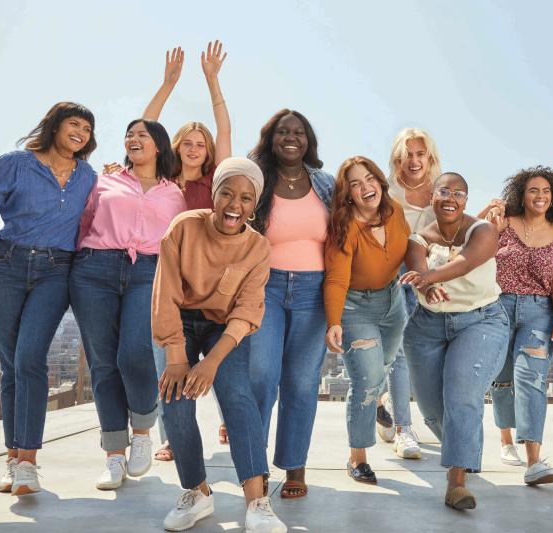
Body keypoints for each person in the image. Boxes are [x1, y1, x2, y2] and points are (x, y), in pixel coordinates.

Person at [152, 157, 286, 533]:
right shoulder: (184, 227)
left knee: (237, 394)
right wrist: (177, 359)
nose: (234, 204)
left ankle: (257, 501)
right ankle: (197, 492)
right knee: (174, 396)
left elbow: (246, 312)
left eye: (245, 198)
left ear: (254, 205)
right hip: (180, 321)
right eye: (226, 193)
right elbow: (165, 297)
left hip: (224, 329)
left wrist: (211, 362)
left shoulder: (257, 248)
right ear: (214, 195)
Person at [69, 119, 185, 490]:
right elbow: (82, 222)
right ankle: (114, 455)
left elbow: (177, 245)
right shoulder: (105, 181)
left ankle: (143, 430)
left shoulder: (174, 194)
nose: (133, 139)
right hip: (95, 268)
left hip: (148, 272)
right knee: (103, 364)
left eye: (143, 135)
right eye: (129, 134)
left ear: (159, 147)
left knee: (134, 353)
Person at [0, 102, 97, 495]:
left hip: (56, 270)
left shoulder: (88, 176)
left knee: (30, 357)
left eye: (87, 129)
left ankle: (29, 462)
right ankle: (12, 459)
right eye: (74, 123)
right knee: (10, 365)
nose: (81, 132)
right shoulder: (16, 164)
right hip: (5, 264)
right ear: (54, 126)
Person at [140, 42, 234, 460]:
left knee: (217, 358)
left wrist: (213, 81)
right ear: (174, 146)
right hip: (164, 282)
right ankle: (173, 435)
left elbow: (226, 133)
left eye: (202, 143)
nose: (195, 148)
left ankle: (228, 420)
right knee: (171, 360)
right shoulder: (160, 180)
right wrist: (168, 84)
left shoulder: (215, 181)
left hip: (209, 282)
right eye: (188, 142)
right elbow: (145, 129)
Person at [402, 172, 509, 510]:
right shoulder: (419, 237)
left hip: (481, 321)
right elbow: (415, 263)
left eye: (459, 193)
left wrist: (428, 277)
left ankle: (457, 481)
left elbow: (465, 263)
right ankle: (461, 452)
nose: (451, 198)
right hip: (427, 326)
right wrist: (426, 284)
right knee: (433, 411)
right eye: (444, 191)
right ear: (432, 196)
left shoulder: (483, 231)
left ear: (466, 200)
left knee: (462, 395)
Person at [246, 109, 334, 499]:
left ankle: (295, 466)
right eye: (283, 131)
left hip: (314, 292)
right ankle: (255, 467)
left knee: (301, 381)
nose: (291, 137)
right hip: (265, 286)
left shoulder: (325, 184)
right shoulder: (255, 178)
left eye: (298, 132)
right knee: (262, 376)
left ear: (308, 140)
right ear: (271, 138)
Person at [481, 166, 553, 485]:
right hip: (498, 305)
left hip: (539, 311)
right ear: (522, 194)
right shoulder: (505, 222)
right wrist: (488, 211)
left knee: (530, 378)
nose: (541, 196)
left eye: (546, 191)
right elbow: (472, 238)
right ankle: (506, 440)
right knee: (501, 379)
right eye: (534, 190)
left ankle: (534, 460)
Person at [324, 156, 410, 484]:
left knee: (382, 367)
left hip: (392, 303)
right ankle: (357, 458)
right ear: (348, 194)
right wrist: (334, 320)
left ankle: (376, 402)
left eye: (369, 178)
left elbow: (409, 249)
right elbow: (336, 278)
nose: (365, 187)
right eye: (355, 184)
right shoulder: (344, 225)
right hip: (354, 307)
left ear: (380, 181)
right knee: (367, 380)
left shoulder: (396, 212)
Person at [377, 128, 442, 458]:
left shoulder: (442, 191)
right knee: (400, 353)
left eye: (421, 154)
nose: (414, 161)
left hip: (433, 276)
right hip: (395, 278)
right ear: (397, 159)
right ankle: (404, 428)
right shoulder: (388, 193)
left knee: (425, 354)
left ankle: (388, 403)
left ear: (430, 158)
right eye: (408, 155)